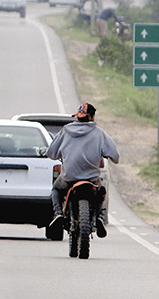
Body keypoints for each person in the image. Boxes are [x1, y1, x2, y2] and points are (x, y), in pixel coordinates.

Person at [46, 102, 120, 238]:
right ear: (92, 117)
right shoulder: (99, 134)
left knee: (56, 189)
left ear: (78, 116)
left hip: (69, 178)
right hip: (91, 179)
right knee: (101, 191)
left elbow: (51, 153)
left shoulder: (65, 131)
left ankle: (58, 214)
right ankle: (100, 217)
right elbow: (115, 156)